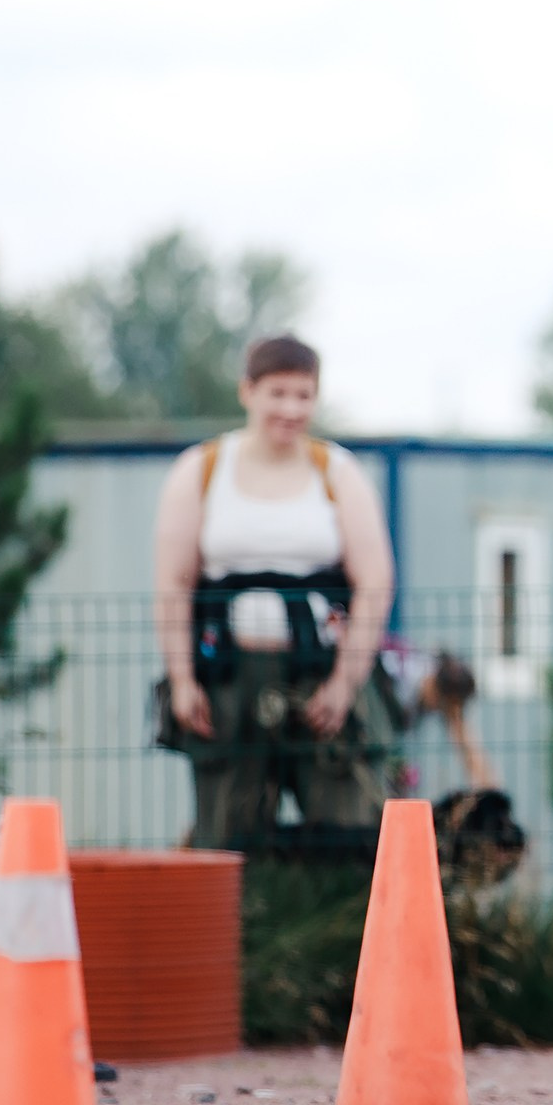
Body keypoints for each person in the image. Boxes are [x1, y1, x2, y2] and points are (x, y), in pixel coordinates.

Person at [151, 334, 398, 850]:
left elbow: (374, 582)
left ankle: (338, 928)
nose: (290, 408)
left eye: (304, 395)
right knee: (227, 836)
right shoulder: (201, 470)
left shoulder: (338, 472)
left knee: (346, 831)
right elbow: (174, 583)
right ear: (248, 392)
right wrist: (181, 679)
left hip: (318, 674)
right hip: (228, 680)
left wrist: (344, 685)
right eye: (278, 393)